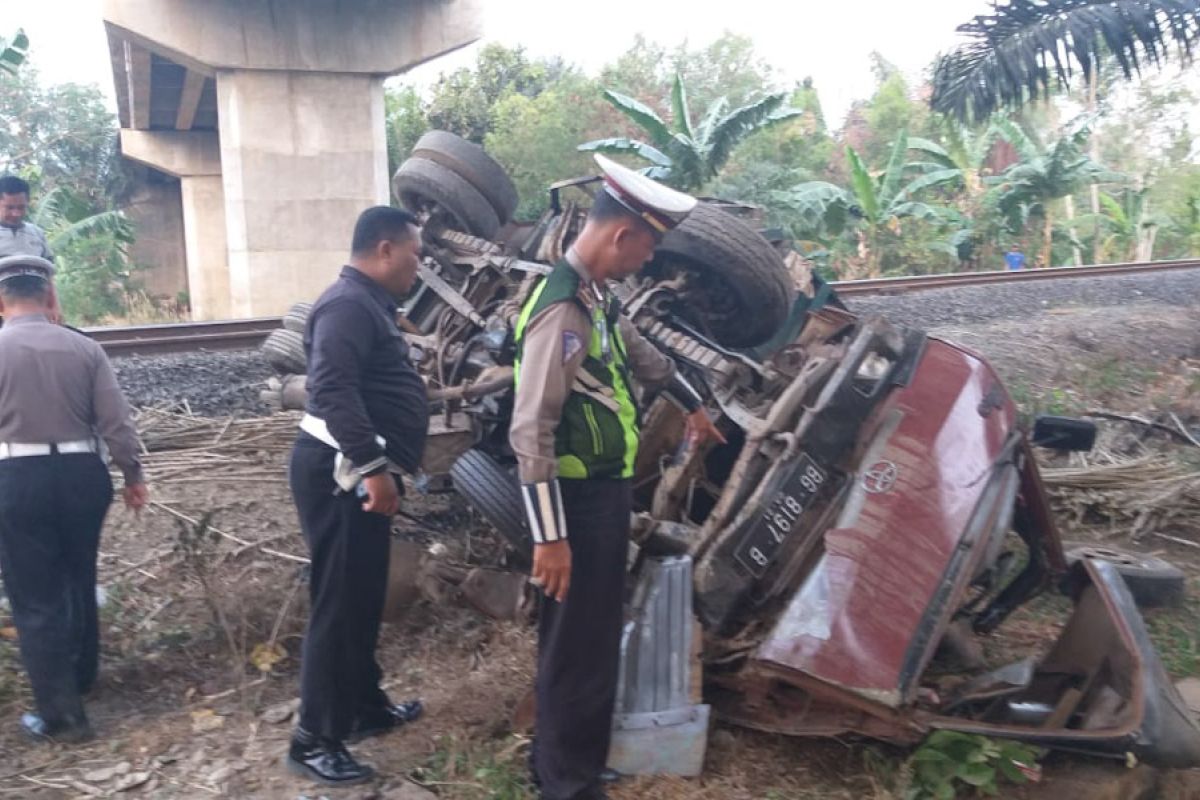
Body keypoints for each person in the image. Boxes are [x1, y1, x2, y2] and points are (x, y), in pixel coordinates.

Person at [510, 154, 725, 800]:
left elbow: (648, 360)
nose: (646, 262)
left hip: (596, 500)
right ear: (620, 236)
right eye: (647, 248)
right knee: (580, 648)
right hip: (572, 506)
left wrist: (694, 405)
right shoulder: (562, 313)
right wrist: (550, 538)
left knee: (582, 641)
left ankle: (561, 762)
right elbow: (531, 429)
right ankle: (568, 786)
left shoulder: (596, 298)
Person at [287, 206, 428, 786]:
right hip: (342, 473)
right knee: (340, 603)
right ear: (386, 249)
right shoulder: (348, 305)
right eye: (416, 256)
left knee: (362, 596)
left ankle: (365, 707)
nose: (418, 270)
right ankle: (313, 740)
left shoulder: (366, 302)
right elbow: (330, 388)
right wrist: (373, 467)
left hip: (354, 471)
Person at [0, 254, 148, 743]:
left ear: (1, 301)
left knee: (34, 594)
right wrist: (133, 474)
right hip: (84, 475)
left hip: (17, 477)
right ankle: (83, 678)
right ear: (49, 297)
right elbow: (117, 423)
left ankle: (61, 716)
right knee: (78, 577)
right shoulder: (85, 349)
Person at [0, 175, 53, 261]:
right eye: (9, 208)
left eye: (21, 207)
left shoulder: (37, 234)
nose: (16, 214)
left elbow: (49, 269)